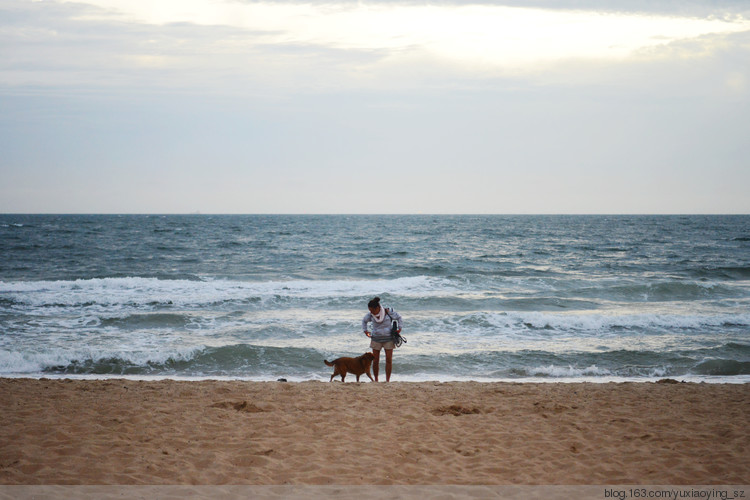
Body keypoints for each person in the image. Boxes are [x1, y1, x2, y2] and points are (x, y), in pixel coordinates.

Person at [361, 296, 403, 382]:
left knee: (389, 360)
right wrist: (365, 331)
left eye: (372, 310)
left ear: (377, 308)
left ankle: (387, 380)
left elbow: (399, 317)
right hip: (376, 339)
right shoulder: (370, 315)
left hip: (389, 339)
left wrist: (399, 328)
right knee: (375, 361)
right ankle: (376, 379)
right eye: (369, 310)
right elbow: (364, 321)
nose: (371, 312)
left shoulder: (388, 312)